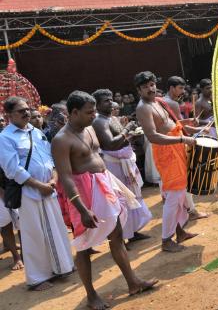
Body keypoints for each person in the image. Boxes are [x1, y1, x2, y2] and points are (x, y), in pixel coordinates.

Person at [52, 91, 157, 310]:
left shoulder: (89, 128)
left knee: (116, 235)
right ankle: (91, 296)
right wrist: (81, 209)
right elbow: (66, 178)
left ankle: (133, 282)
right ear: (74, 112)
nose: (94, 115)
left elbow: (96, 155)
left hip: (103, 185)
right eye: (89, 112)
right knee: (83, 246)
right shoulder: (61, 140)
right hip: (83, 194)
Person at [0, 96, 74, 290]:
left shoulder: (36, 132)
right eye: (21, 111)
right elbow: (12, 169)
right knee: (34, 234)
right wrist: (38, 185)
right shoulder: (5, 138)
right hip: (28, 192)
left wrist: (53, 179)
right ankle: (37, 279)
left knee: (56, 227)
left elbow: (50, 157)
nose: (26, 113)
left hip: (49, 188)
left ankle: (62, 267)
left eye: (27, 109)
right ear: (9, 115)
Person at [134, 72, 201, 252]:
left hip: (176, 148)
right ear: (139, 89)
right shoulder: (143, 107)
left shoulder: (158, 101)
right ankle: (166, 239)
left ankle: (179, 232)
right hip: (167, 152)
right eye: (146, 86)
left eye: (152, 84)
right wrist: (182, 140)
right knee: (173, 197)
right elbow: (153, 135)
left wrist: (187, 122)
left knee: (178, 195)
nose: (151, 88)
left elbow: (170, 123)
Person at [92, 89, 152, 243]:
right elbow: (111, 144)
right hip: (114, 165)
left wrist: (130, 133)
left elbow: (121, 139)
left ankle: (132, 232)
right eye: (106, 100)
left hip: (125, 162)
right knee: (121, 201)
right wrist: (127, 129)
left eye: (111, 99)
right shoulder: (99, 121)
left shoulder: (110, 117)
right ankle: (121, 239)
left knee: (131, 197)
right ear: (97, 105)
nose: (111, 103)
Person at [163, 76, 209, 214]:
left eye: (183, 88)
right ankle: (190, 210)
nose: (183, 91)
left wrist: (189, 121)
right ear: (172, 88)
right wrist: (200, 129)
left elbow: (177, 124)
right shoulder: (172, 103)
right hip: (176, 143)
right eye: (180, 88)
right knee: (184, 179)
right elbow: (181, 128)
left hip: (168, 143)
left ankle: (187, 209)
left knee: (178, 180)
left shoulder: (164, 101)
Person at [195, 78, 218, 185]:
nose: (210, 89)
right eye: (207, 88)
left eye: (211, 87)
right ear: (201, 89)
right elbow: (196, 121)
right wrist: (208, 122)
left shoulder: (213, 98)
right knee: (213, 155)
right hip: (208, 131)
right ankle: (217, 179)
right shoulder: (199, 102)